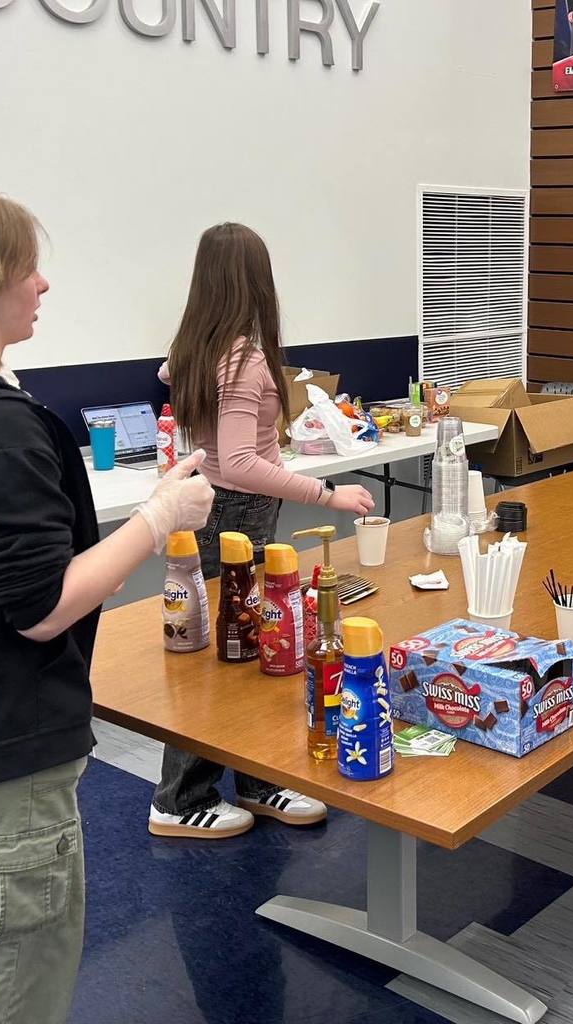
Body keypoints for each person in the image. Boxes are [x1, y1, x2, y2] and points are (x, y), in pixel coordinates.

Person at [0, 185, 214, 1024]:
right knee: (4, 975)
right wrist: (160, 518)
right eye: (27, 267)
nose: (42, 284)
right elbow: (42, 607)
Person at [148, 222, 375, 840]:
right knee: (221, 658)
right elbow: (241, 462)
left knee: (256, 648)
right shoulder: (243, 359)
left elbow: (176, 380)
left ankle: (257, 778)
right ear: (256, 281)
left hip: (226, 512)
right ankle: (178, 799)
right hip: (234, 515)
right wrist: (327, 494)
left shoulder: (199, 348)